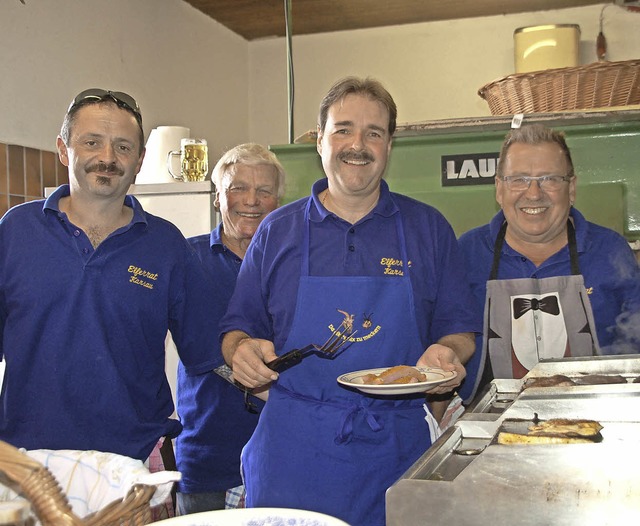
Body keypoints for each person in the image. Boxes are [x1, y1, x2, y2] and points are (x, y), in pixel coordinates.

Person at [219, 77, 481, 526]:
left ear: (388, 145)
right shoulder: (276, 232)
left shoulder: (428, 229)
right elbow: (235, 330)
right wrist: (240, 351)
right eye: (343, 129)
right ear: (319, 140)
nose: (357, 145)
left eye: (373, 133)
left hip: (397, 450)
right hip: (292, 453)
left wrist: (449, 353)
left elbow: (459, 329)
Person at [0, 88, 222, 462]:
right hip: (26, 463)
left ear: (139, 160)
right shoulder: (15, 231)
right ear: (63, 149)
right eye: (92, 142)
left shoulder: (167, 244)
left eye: (122, 147)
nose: (107, 158)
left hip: (134, 462)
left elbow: (210, 351)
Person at [458, 123, 640, 402]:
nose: (533, 193)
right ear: (499, 189)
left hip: (598, 418)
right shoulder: (466, 253)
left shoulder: (608, 250)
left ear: (572, 188)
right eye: (518, 179)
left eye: (550, 179)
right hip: (488, 426)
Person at [175, 143, 285, 514]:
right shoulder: (188, 261)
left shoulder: (293, 266)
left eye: (264, 190)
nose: (251, 201)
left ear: (278, 201)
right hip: (211, 461)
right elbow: (208, 355)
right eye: (238, 188)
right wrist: (304, 400)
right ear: (217, 198)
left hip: (284, 457)